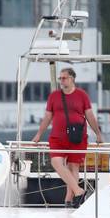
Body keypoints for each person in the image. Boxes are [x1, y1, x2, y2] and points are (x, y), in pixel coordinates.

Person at [32, 67, 103, 207]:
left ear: (72, 78)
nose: (61, 80)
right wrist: (39, 134)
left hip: (77, 136)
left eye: (64, 78)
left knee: (73, 167)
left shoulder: (82, 95)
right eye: (60, 78)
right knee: (56, 162)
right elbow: (47, 116)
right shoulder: (54, 96)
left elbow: (90, 116)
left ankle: (69, 200)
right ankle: (78, 191)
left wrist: (98, 134)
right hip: (57, 137)